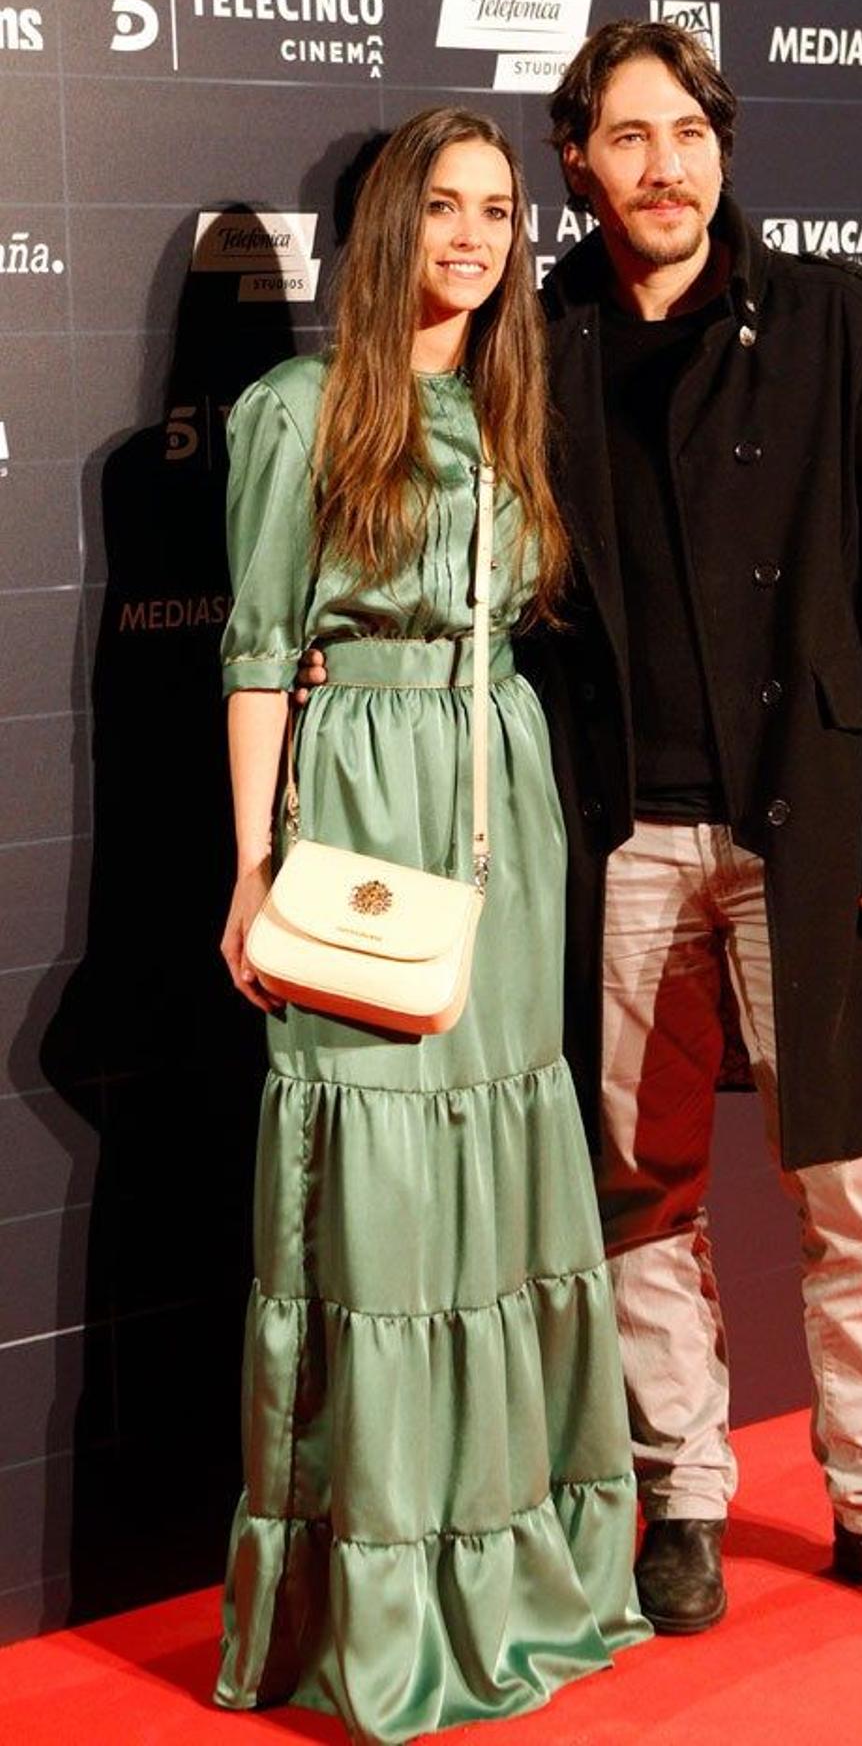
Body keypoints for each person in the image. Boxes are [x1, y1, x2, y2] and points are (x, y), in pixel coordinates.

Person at [300, 24, 862, 1638]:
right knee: (642, 1193)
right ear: (579, 163)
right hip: (616, 836)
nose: (663, 166)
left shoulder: (842, 320)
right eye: (625, 139)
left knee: (859, 1190)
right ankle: (680, 1495)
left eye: (685, 131)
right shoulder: (533, 346)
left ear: (724, 142)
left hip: (817, 828)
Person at [215, 107, 647, 1744]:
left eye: (497, 212)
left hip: (504, 810)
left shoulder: (513, 407)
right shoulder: (296, 411)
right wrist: (253, 871)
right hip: (363, 817)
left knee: (502, 1183)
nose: (473, 236)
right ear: (387, 225)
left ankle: (516, 1568)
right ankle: (383, 1596)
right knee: (383, 1202)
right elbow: (260, 651)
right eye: (443, 207)